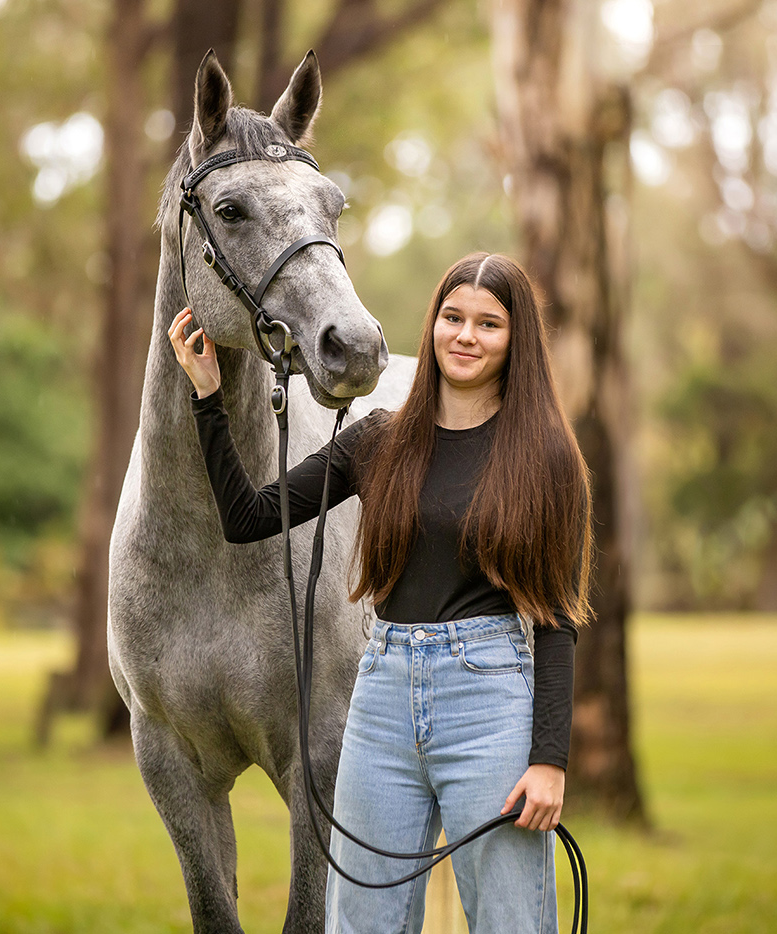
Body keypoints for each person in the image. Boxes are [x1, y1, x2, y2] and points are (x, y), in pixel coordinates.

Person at [167, 251, 592, 933]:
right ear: (431, 326)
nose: (465, 335)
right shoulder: (381, 438)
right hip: (383, 697)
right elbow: (248, 518)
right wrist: (208, 397)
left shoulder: (544, 456)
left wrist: (548, 762)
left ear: (518, 342)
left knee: (511, 918)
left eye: (489, 323)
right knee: (362, 920)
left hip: (489, 702)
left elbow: (555, 621)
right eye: (452, 317)